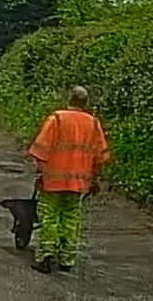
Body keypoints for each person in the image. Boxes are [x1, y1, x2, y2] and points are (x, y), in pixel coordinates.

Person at [27, 86, 111, 274]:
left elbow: (41, 150)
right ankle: (67, 258)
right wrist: (95, 179)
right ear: (85, 103)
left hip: (53, 180)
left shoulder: (57, 119)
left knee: (49, 216)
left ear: (69, 99)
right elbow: (100, 156)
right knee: (71, 217)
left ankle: (47, 255)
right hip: (79, 182)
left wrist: (40, 173)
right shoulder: (93, 123)